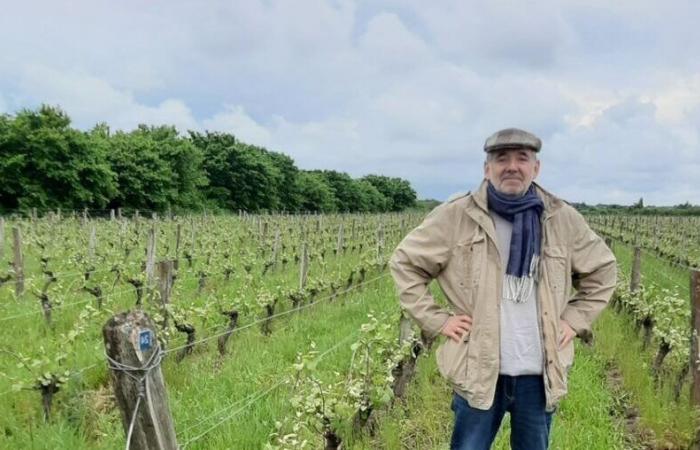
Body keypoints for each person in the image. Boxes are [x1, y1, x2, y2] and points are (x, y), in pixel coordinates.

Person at [389, 128, 617, 450]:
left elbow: (603, 270)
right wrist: (438, 320)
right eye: (501, 158)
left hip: (539, 374)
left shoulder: (561, 218)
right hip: (478, 369)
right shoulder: (457, 215)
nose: (512, 166)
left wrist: (573, 320)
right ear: (487, 168)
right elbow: (405, 262)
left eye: (522, 158)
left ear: (535, 167)